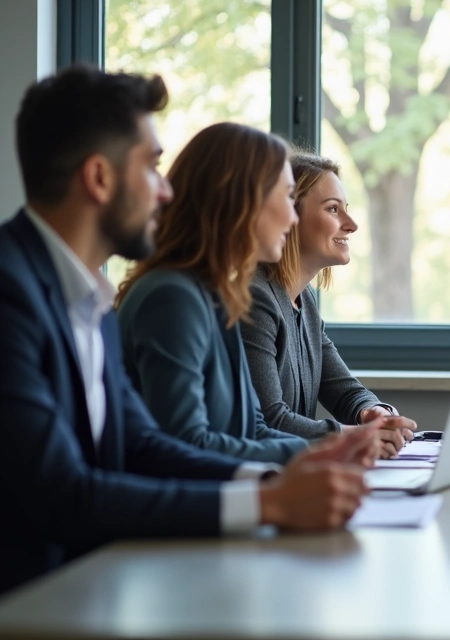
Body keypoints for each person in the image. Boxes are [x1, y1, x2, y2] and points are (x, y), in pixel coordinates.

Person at [0, 65, 376, 595]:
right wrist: (268, 500)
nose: (166, 192)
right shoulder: (12, 292)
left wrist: (300, 463)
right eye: (152, 168)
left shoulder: (92, 302)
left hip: (93, 587)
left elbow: (145, 445)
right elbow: (61, 493)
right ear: (100, 178)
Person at [116, 123, 410, 464]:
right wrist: (342, 444)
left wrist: (349, 440)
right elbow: (188, 445)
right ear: (241, 200)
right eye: (286, 197)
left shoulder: (215, 294)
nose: (291, 215)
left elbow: (252, 428)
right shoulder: (173, 297)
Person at [242, 153, 415, 459]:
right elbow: (270, 421)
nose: (351, 225)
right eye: (333, 209)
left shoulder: (304, 300)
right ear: (289, 216)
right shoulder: (255, 298)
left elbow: (345, 390)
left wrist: (373, 412)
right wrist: (357, 436)